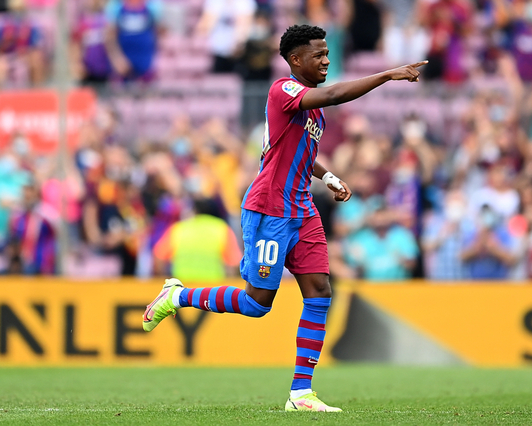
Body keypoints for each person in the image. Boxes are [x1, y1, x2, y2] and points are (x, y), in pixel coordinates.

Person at [141, 24, 428, 412]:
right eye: (319, 54)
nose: (327, 60)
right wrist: (386, 74)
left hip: (301, 209)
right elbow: (333, 94)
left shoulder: (313, 113)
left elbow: (298, 153)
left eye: (328, 53)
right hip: (270, 209)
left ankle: (301, 394)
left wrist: (327, 176)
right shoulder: (284, 90)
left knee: (320, 292)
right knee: (258, 303)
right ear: (296, 60)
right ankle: (177, 295)